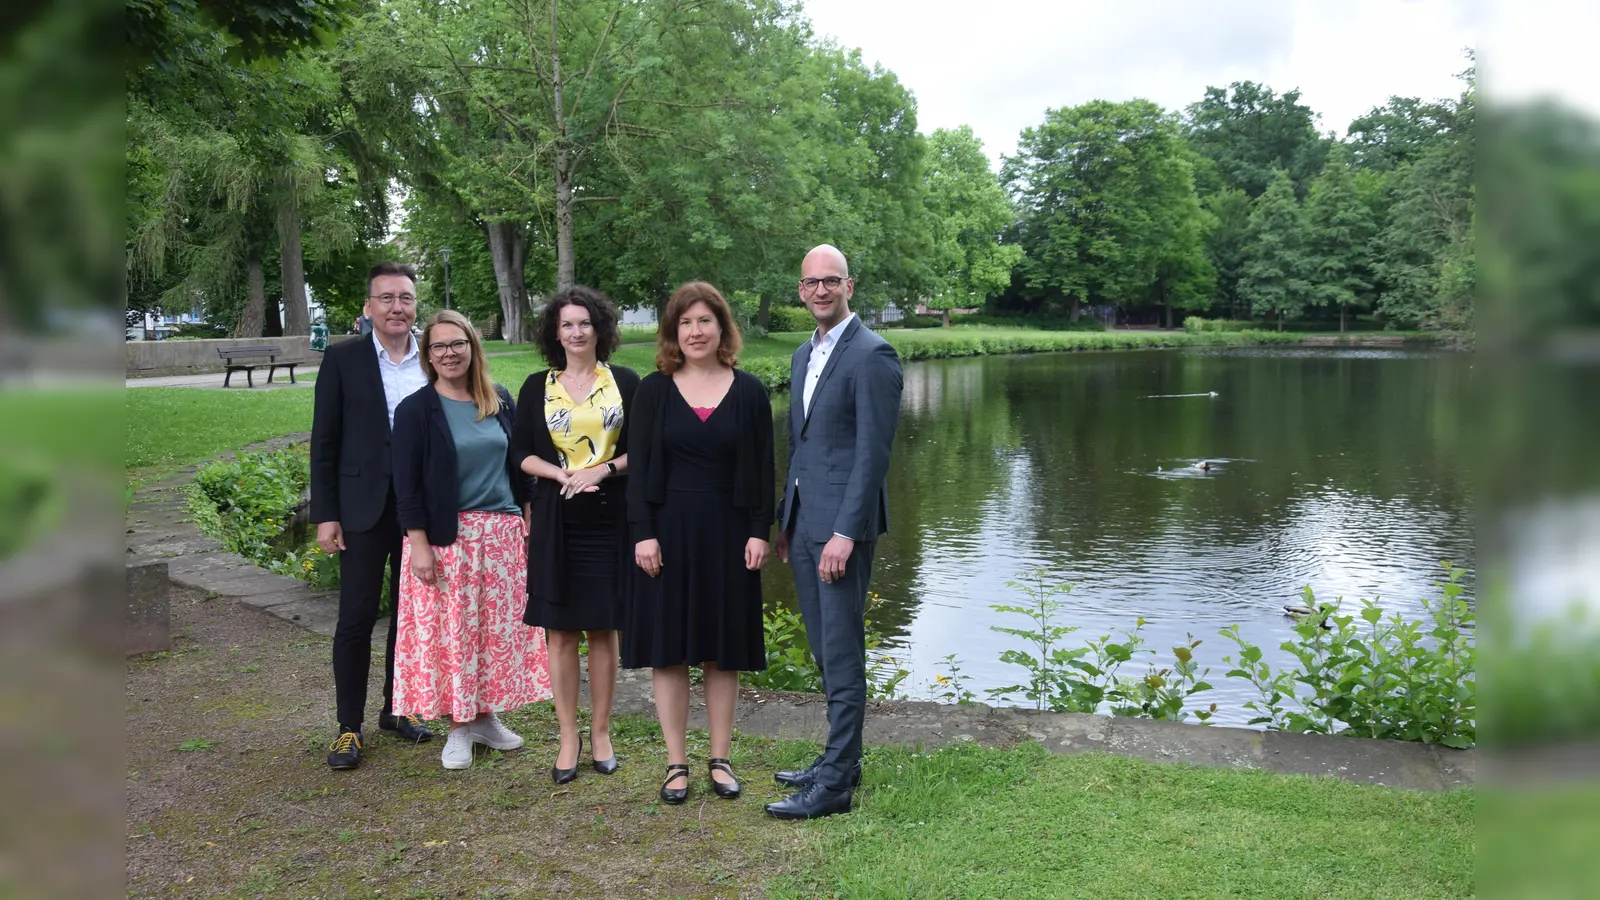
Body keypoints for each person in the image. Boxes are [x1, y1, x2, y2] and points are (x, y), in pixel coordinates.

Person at [765, 245, 903, 820]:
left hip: (841, 530)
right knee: (824, 649)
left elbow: (872, 456)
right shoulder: (803, 354)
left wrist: (846, 532)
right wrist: (784, 519)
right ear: (800, 290)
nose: (820, 291)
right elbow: (801, 447)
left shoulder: (874, 354)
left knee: (842, 652)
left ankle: (837, 785)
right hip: (803, 525)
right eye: (810, 283)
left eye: (831, 281)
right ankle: (840, 758)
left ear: (850, 285)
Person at [624, 281, 774, 805]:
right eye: (685, 322)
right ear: (673, 331)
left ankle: (720, 757)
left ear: (721, 328)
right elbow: (638, 470)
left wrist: (760, 529)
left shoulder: (750, 391)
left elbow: (762, 468)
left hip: (731, 533)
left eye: (705, 321)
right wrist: (642, 532)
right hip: (667, 534)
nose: (695, 331)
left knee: (721, 651)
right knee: (668, 652)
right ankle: (675, 763)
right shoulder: (654, 390)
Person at [390, 310, 552, 770]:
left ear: (472, 346)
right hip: (447, 539)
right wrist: (418, 542)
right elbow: (407, 487)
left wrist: (529, 516)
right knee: (454, 635)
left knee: (492, 636)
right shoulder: (416, 411)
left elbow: (521, 463)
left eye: (456, 343)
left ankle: (485, 717)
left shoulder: (498, 400)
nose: (448, 353)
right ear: (428, 355)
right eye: (438, 346)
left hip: (501, 536)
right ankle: (458, 727)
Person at [511, 286, 639, 784]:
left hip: (611, 519)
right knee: (560, 632)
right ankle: (569, 736)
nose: (576, 331)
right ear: (554, 332)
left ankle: (602, 732)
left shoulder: (626, 382)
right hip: (555, 520)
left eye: (584, 323)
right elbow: (520, 452)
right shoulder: (534, 386)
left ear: (599, 328)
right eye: (567, 324)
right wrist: (561, 474)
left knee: (603, 629)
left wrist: (603, 469)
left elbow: (643, 450)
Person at [310, 262, 435, 770]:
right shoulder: (343, 361)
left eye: (405, 297)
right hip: (361, 509)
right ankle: (347, 727)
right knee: (357, 618)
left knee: (410, 619)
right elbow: (325, 441)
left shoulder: (433, 359)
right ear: (368, 307)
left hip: (420, 511)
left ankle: (397, 710)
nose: (396, 307)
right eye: (386, 298)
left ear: (414, 305)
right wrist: (326, 513)